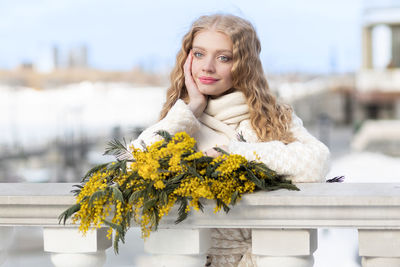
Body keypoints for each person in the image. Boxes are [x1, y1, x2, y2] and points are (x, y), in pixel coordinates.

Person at [130, 13, 330, 267]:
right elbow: (134, 162)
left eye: (223, 57)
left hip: (264, 256)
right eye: (199, 54)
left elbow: (316, 161)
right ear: (187, 59)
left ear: (244, 65)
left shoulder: (273, 118)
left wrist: (235, 154)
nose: (207, 67)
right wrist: (191, 110)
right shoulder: (180, 122)